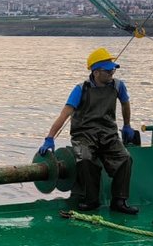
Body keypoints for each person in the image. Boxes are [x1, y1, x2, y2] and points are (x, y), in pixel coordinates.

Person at [37, 47, 139, 214]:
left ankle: (119, 201)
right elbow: (65, 114)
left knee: (125, 159)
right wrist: (50, 138)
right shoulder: (80, 89)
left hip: (108, 133)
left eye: (113, 69)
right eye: (108, 70)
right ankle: (91, 199)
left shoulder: (118, 86)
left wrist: (127, 125)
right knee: (85, 159)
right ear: (96, 72)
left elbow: (125, 104)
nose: (112, 73)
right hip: (83, 134)